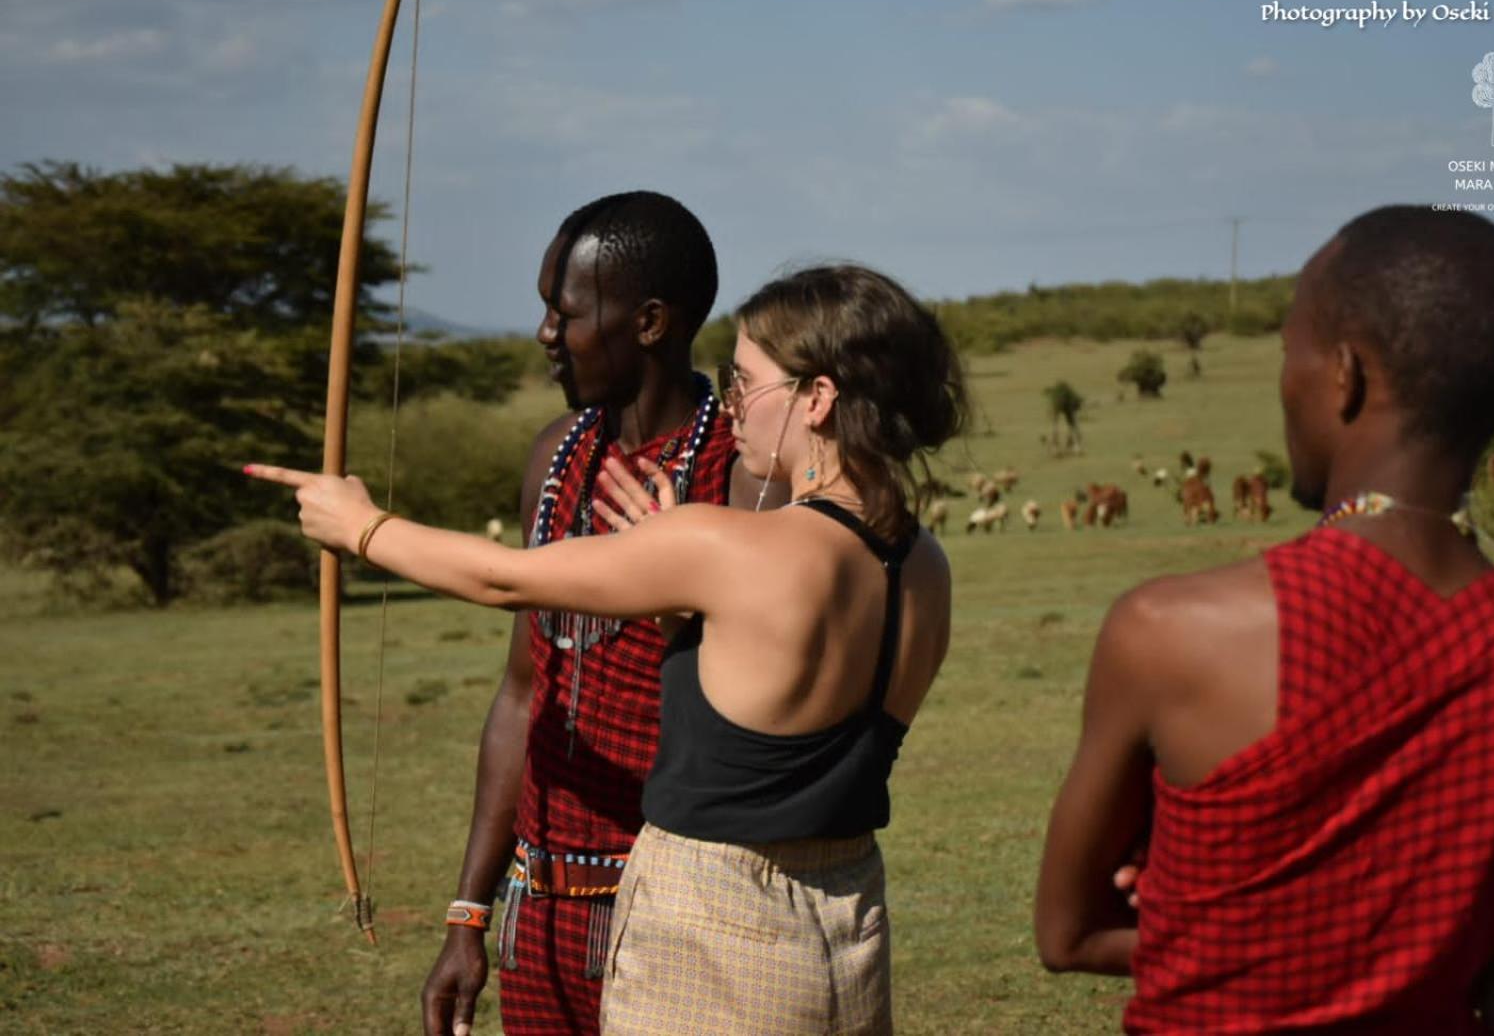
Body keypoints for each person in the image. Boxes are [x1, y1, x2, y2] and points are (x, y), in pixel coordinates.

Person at [250, 262, 967, 1034]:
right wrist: (681, 600)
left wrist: (359, 526)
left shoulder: (735, 548)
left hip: (713, 922)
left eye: (748, 384)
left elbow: (503, 582)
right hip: (845, 918)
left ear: (817, 399)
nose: (731, 409)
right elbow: (789, 715)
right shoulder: (923, 562)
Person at [1033, 205, 1494, 1033]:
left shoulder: (1169, 630)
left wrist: (1200, 903)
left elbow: (1067, 931)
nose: (1282, 384)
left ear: (1343, 375)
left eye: (1286, 355)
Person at [417, 191, 766, 1036]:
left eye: (563, 310)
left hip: (678, 906)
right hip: (539, 908)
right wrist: (469, 914)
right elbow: (520, 693)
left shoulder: (743, 478)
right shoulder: (555, 458)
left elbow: (765, 708)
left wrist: (675, 574)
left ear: (648, 321)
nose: (545, 333)